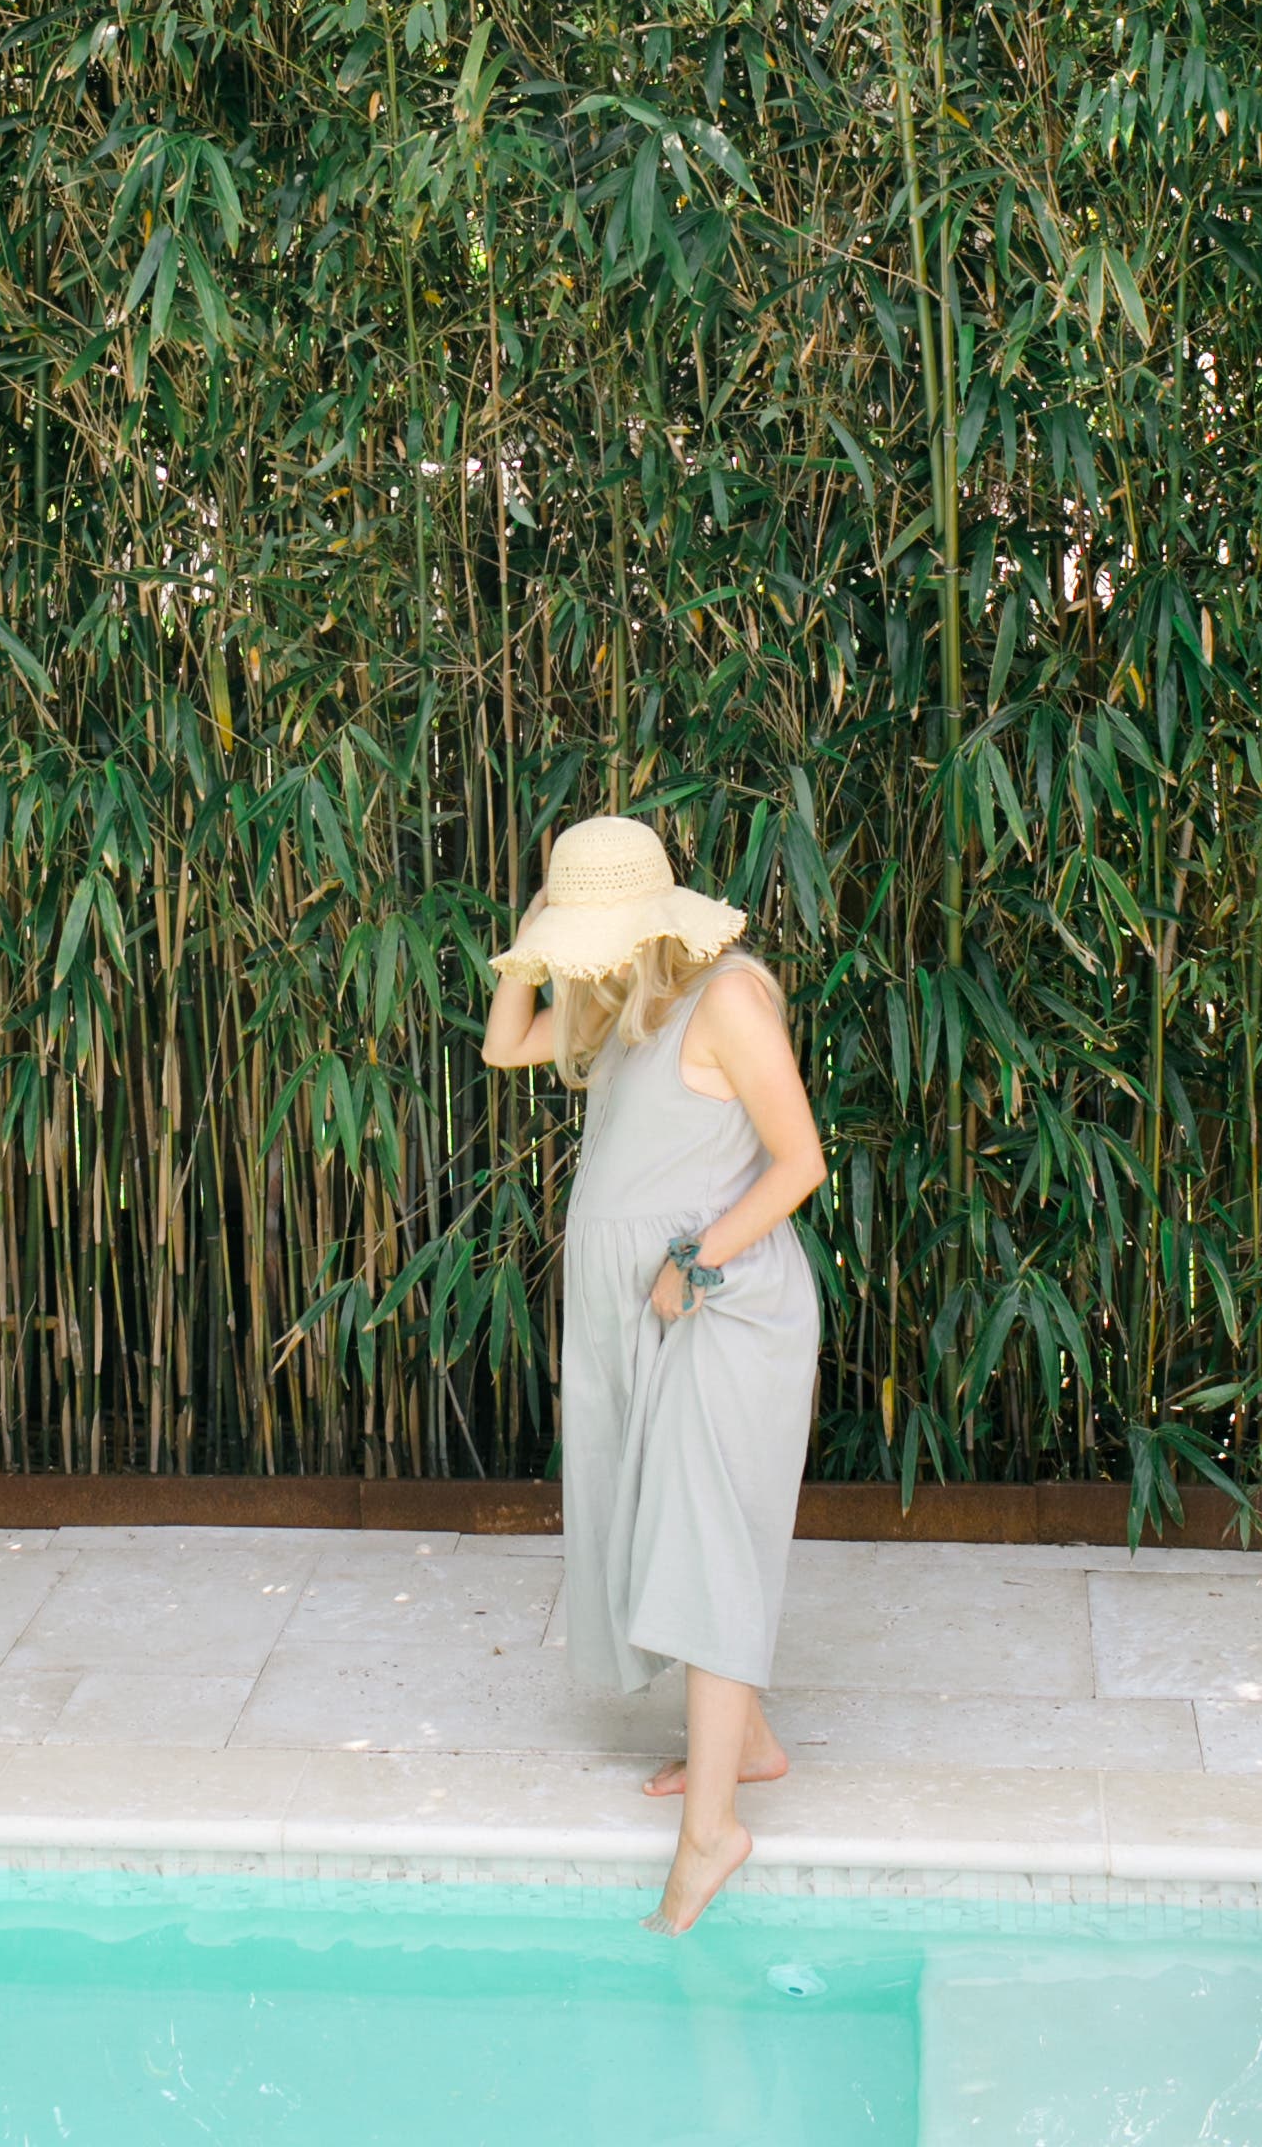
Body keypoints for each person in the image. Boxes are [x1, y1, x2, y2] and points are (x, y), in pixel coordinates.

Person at [481, 809, 826, 1935]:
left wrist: (694, 1261)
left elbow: (800, 1162)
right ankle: (752, 1744)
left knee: (704, 1538)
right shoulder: (626, 999)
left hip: (723, 1305)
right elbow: (503, 1044)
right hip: (648, 1311)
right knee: (661, 1523)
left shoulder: (726, 998)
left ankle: (710, 1835)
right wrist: (533, 939)